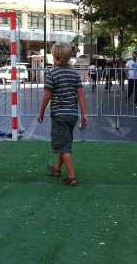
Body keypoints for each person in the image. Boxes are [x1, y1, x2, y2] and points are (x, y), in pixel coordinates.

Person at [36, 41, 88, 187]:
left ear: (54, 56)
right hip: (72, 115)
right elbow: (80, 94)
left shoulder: (52, 73)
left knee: (63, 144)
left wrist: (41, 113)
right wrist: (84, 114)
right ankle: (57, 169)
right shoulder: (74, 73)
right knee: (65, 141)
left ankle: (71, 177)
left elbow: (47, 96)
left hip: (59, 114)